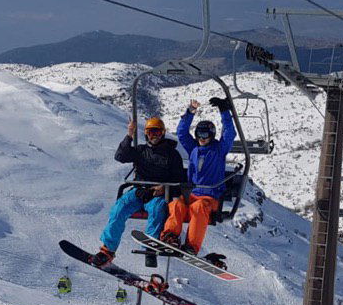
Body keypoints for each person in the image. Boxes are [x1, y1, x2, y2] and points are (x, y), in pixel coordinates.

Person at [92, 115, 186, 267]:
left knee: (157, 211)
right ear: (146, 134)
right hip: (139, 191)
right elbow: (120, 156)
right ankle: (107, 250)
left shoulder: (172, 154)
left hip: (158, 194)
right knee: (119, 209)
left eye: (157, 132)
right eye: (150, 132)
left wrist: (163, 188)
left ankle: (150, 248)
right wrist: (129, 134)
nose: (154, 136)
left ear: (163, 133)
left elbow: (179, 179)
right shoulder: (141, 150)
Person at [162, 97, 236, 257]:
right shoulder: (194, 148)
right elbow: (182, 133)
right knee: (177, 204)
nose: (202, 139)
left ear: (212, 135)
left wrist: (224, 110)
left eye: (205, 135)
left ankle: (191, 246)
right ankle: (170, 237)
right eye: (199, 135)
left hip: (210, 199)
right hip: (191, 196)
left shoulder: (219, 150)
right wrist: (190, 112)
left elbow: (230, 133)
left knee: (198, 207)